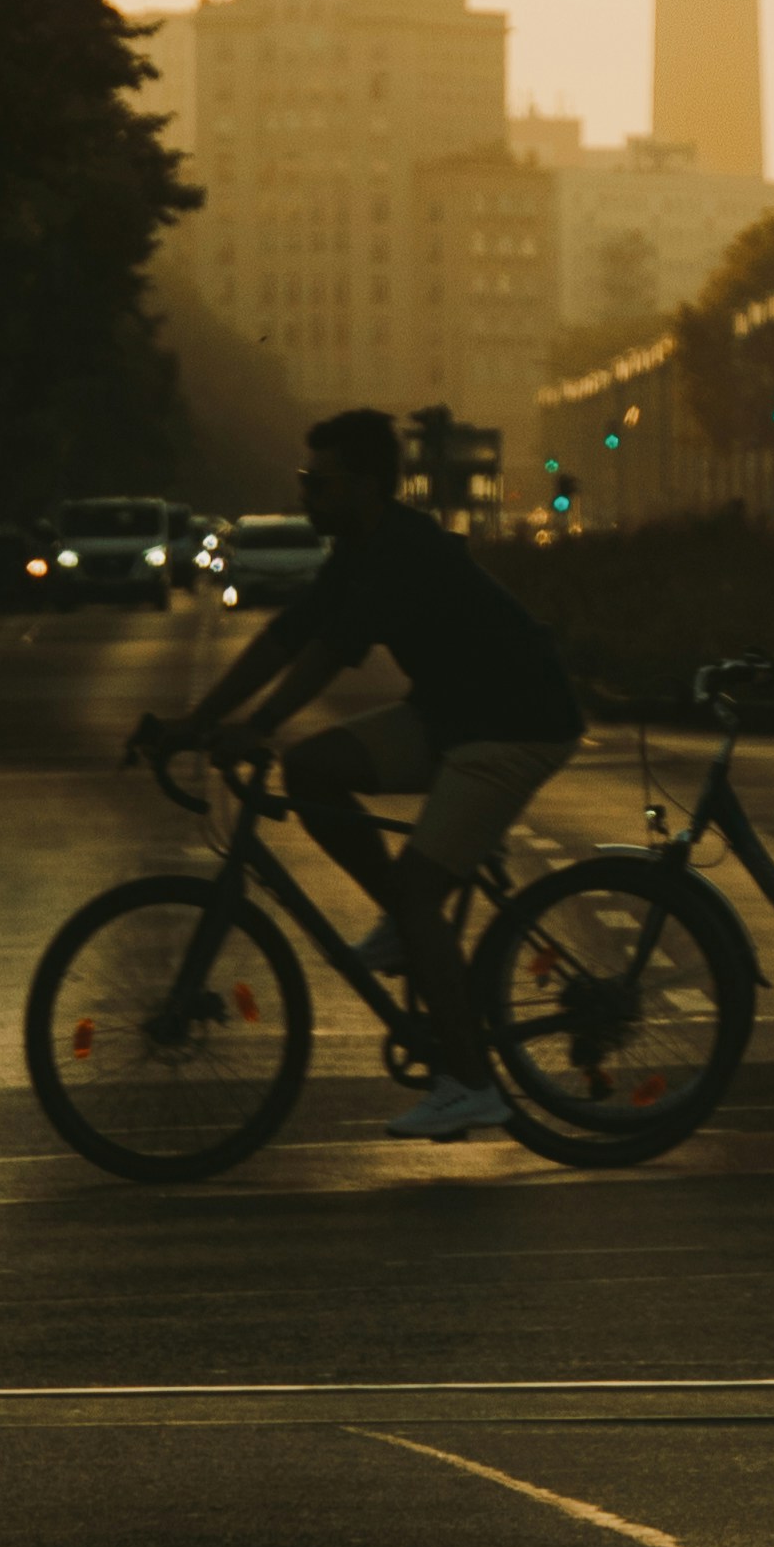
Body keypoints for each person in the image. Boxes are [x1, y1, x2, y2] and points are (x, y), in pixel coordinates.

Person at [172, 407, 583, 1139]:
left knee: (422, 897)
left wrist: (257, 726)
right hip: (450, 713)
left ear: (365, 485)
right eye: (304, 478)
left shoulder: (400, 553)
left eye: (318, 482)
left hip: (514, 722)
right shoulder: (359, 549)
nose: (305, 494)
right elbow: (286, 637)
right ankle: (402, 921)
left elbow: (327, 654)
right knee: (310, 768)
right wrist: (195, 722)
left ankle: (470, 1084)